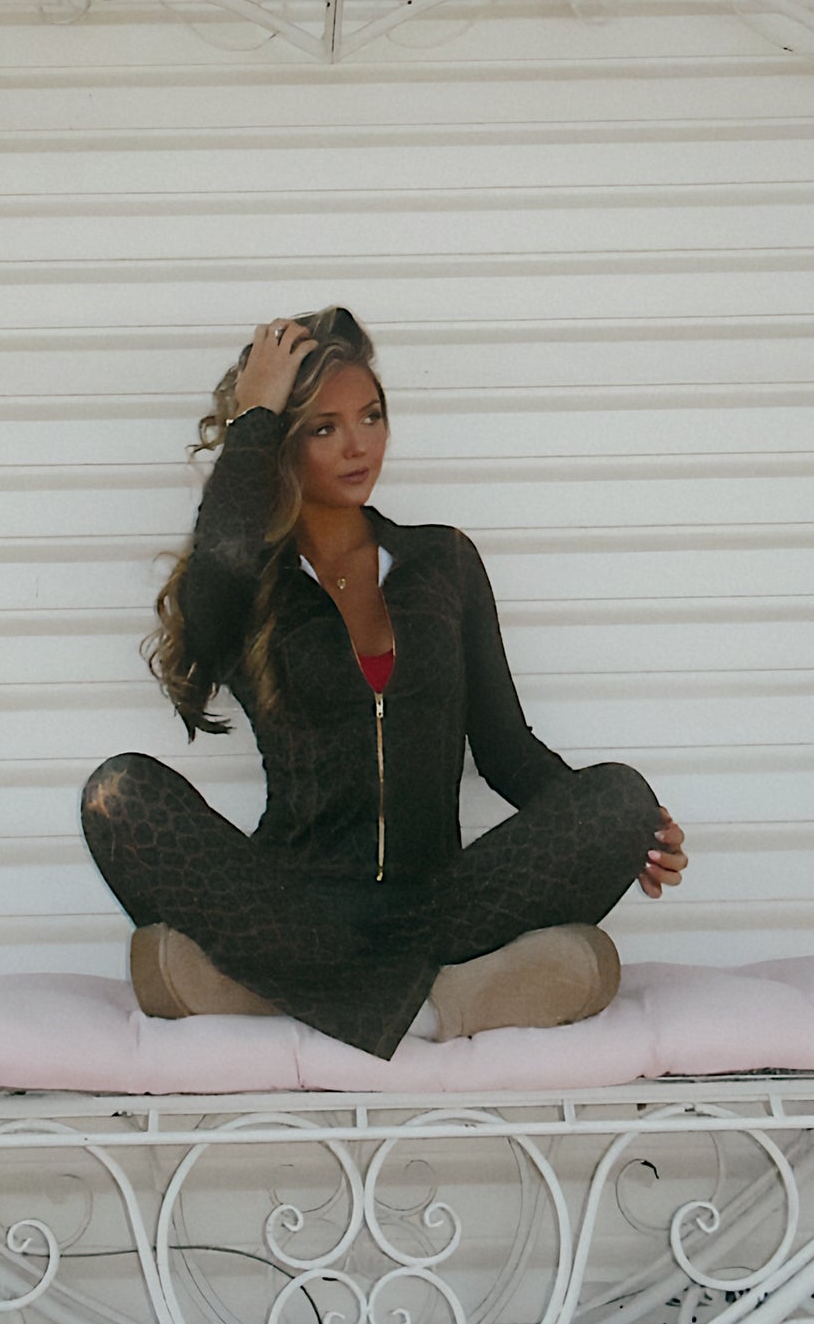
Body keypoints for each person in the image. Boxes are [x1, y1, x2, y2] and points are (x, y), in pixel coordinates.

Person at [81, 308, 687, 1059]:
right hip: (290, 909)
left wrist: (632, 832)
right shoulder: (247, 586)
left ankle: (284, 995)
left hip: (439, 906)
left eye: (371, 416)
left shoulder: (444, 562)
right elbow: (220, 564)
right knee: (119, 795)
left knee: (620, 796)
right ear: (279, 443)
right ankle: (434, 1004)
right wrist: (253, 415)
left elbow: (506, 750)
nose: (359, 444)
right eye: (323, 427)